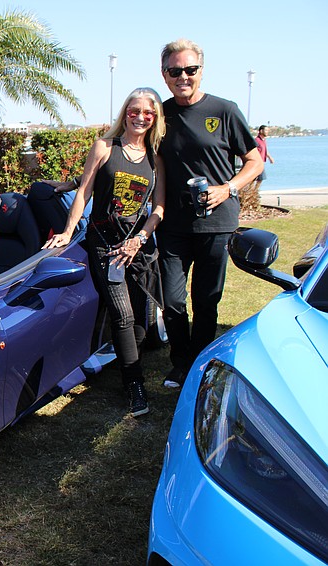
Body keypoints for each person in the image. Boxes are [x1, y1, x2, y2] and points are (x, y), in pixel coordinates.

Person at [45, 87, 166, 417]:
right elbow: (84, 191)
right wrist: (68, 232)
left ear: (155, 118)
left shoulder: (155, 159)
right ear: (125, 112)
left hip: (137, 246)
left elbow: (159, 208)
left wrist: (140, 237)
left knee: (141, 319)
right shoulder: (104, 147)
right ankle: (134, 385)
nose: (140, 117)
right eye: (134, 110)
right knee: (123, 315)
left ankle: (125, 360)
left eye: (148, 113)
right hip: (105, 245)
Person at [156, 39, 263, 388]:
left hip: (217, 223)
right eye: (175, 71)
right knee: (171, 299)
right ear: (165, 74)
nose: (183, 76)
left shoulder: (225, 110)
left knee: (206, 300)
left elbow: (254, 160)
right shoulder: (161, 114)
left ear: (201, 72)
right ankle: (180, 360)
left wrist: (228, 188)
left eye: (190, 70)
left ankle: (197, 364)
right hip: (173, 223)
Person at [252, 125, 275, 193]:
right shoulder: (256, 140)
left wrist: (270, 158)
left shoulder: (263, 140)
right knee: (255, 179)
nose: (267, 132)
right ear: (261, 131)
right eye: (266, 130)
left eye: (268, 131)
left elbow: (265, 150)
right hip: (256, 163)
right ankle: (252, 192)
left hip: (261, 163)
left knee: (260, 178)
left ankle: (254, 191)